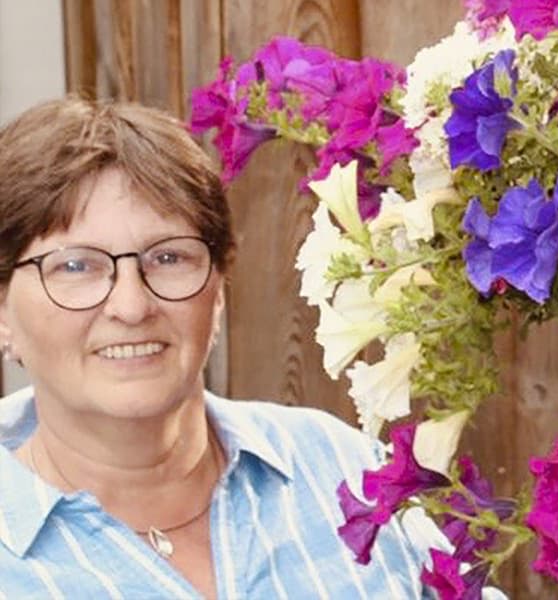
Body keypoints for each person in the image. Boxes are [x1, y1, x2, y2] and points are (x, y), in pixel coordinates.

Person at [0, 97, 450, 599]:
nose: (130, 305)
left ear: (218, 288)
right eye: (76, 267)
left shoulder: (344, 468)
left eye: (168, 257)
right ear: (3, 312)